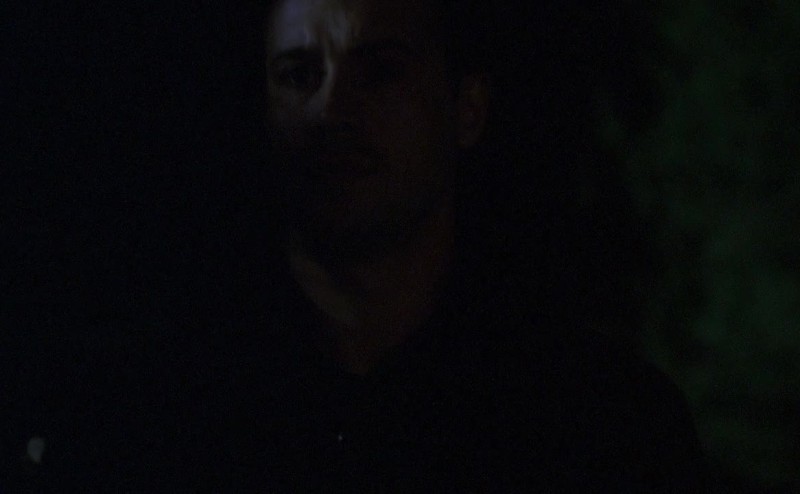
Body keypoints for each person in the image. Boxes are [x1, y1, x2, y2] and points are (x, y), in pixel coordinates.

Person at [215, 0, 711, 491]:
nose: (331, 110)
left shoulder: (603, 424)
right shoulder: (195, 392)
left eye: (382, 73)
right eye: (298, 76)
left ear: (467, 109)